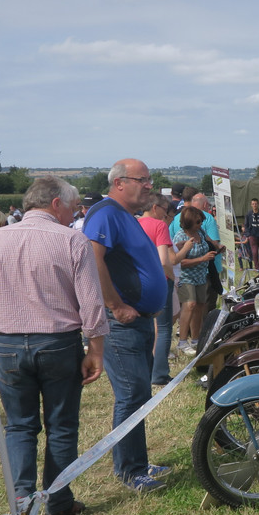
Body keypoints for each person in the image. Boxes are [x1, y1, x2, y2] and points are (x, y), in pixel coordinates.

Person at [0, 176, 107, 515]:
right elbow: (91, 303)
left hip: (7, 344)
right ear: (56, 203)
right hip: (58, 343)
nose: (74, 214)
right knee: (61, 426)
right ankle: (58, 502)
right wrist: (96, 350)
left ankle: (23, 506)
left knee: (20, 427)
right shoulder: (72, 239)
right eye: (72, 207)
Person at [84, 158, 171, 493]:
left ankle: (137, 461)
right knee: (131, 395)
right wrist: (115, 305)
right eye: (142, 179)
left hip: (139, 322)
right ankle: (130, 471)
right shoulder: (105, 213)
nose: (149, 185)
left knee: (138, 395)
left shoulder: (125, 216)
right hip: (121, 325)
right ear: (119, 182)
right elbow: (92, 258)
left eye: (150, 180)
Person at [138, 193, 184, 385]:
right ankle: (160, 374)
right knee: (164, 328)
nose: (166, 216)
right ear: (155, 207)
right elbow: (165, 261)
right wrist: (172, 278)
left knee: (145, 328)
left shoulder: (134, 223)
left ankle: (145, 370)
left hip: (138, 282)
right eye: (165, 211)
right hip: (159, 280)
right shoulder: (159, 226)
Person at [172, 207, 217, 356]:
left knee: (200, 306)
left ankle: (196, 339)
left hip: (201, 276)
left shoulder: (200, 233)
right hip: (186, 277)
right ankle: (182, 341)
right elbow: (179, 262)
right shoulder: (180, 237)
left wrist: (217, 247)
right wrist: (202, 259)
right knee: (189, 305)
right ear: (189, 222)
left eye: (201, 221)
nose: (200, 224)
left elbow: (209, 240)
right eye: (198, 222)